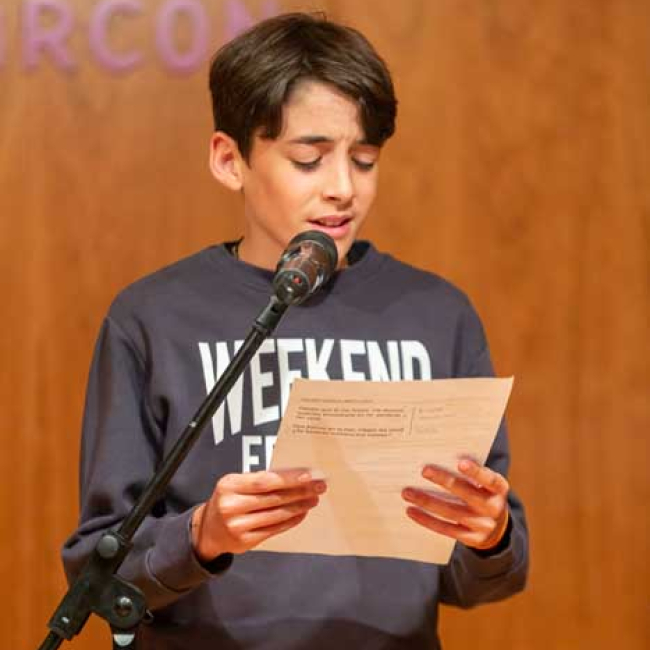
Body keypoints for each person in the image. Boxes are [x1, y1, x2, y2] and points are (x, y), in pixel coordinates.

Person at [62, 12, 528, 649]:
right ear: (230, 160)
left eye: (364, 161)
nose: (343, 189)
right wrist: (200, 537)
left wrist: (489, 535)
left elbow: (487, 577)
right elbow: (97, 574)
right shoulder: (153, 317)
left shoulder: (437, 314)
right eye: (309, 160)